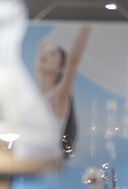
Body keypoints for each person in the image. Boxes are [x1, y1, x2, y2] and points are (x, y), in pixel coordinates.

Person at [32, 24, 92, 160]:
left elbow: (73, 61)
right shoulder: (39, 94)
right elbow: (40, 47)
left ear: (61, 68)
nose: (45, 54)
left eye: (52, 54)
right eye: (45, 52)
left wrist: (86, 26)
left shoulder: (57, 97)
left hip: (49, 161)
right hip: (38, 161)